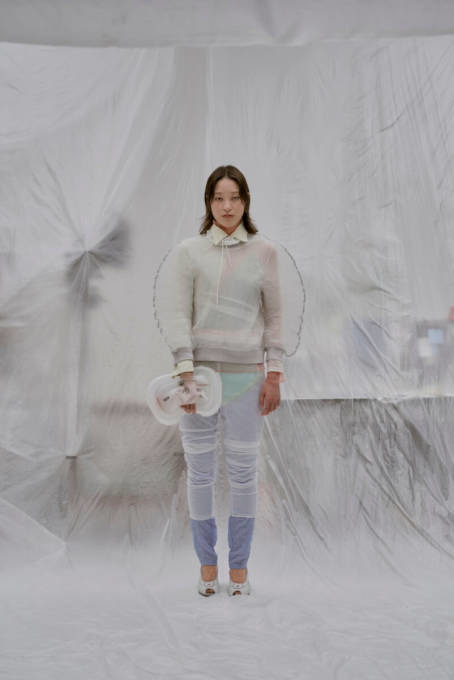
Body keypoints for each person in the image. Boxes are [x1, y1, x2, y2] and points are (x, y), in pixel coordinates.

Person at [162, 165, 284, 596]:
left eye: (234, 197)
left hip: (247, 379)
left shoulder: (265, 252)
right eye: (218, 198)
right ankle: (207, 569)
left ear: (245, 201)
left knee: (244, 474)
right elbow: (177, 314)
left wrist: (274, 373)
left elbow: (276, 317)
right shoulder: (189, 252)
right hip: (198, 379)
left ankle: (240, 572)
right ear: (208, 202)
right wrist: (185, 374)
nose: (227, 206)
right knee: (200, 474)